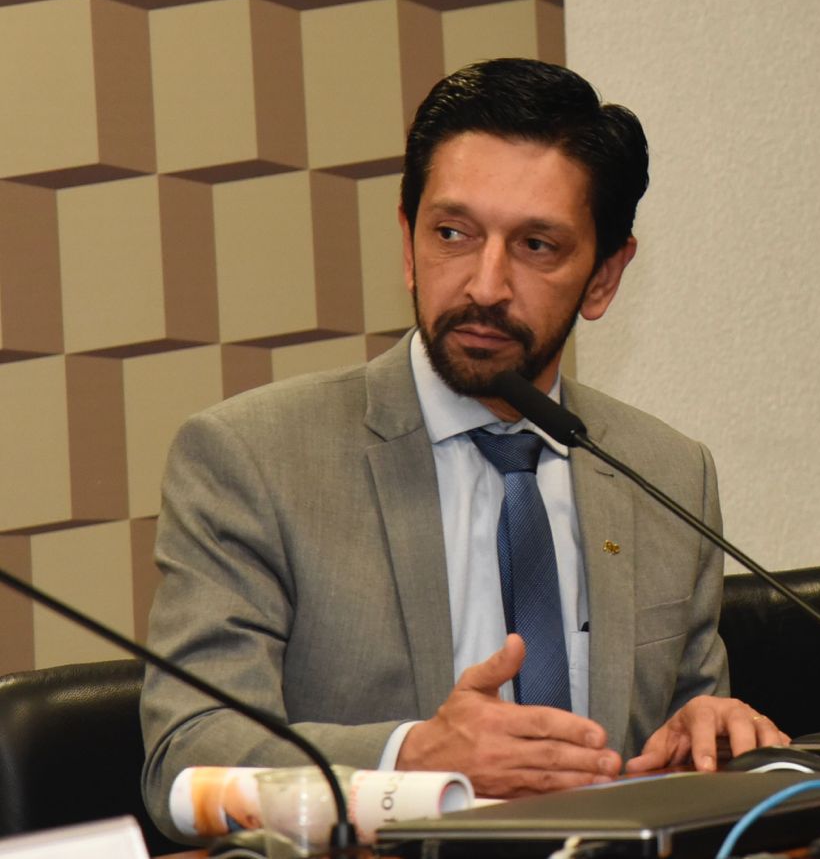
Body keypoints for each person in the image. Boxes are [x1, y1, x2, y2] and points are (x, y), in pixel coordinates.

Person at [141, 58, 783, 838]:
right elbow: (187, 761)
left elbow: (680, 730)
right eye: (452, 233)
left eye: (537, 245)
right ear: (408, 245)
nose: (484, 284)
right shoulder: (252, 460)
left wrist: (702, 736)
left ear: (605, 276)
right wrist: (411, 759)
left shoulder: (667, 473)